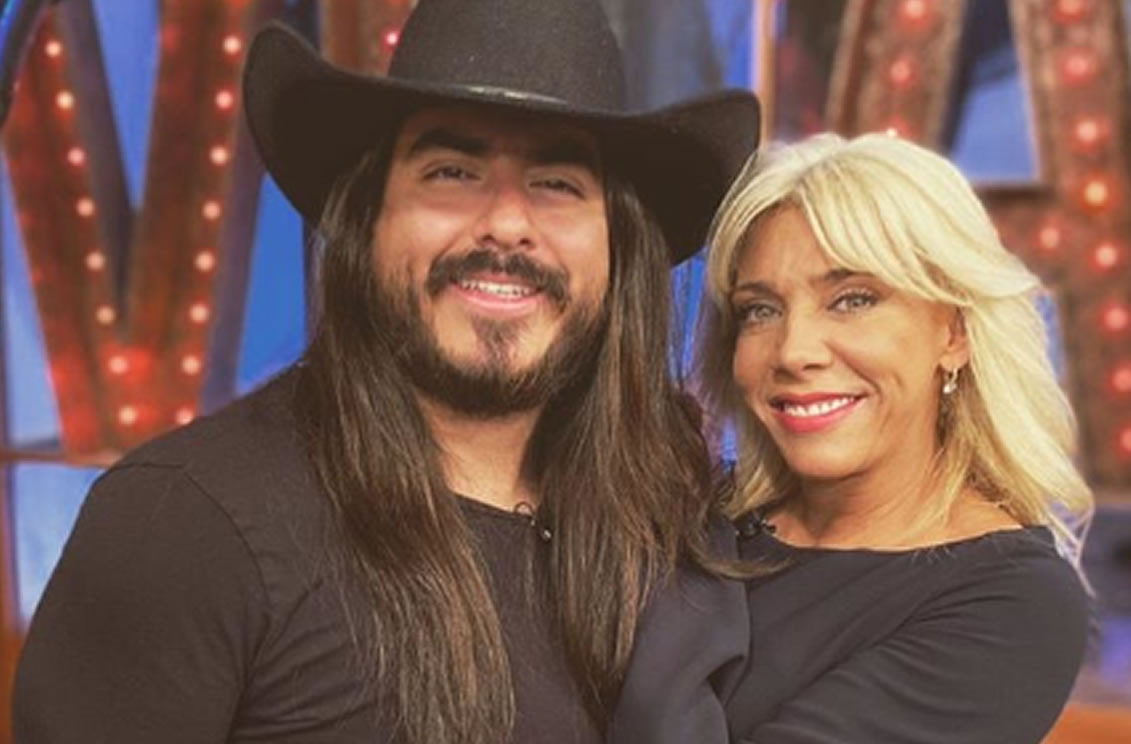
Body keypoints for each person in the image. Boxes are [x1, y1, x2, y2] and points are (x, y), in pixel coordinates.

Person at [12, 1, 760, 742]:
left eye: (557, 183)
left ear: (618, 247)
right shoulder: (184, 524)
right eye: (452, 172)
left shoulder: (674, 532)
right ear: (366, 221)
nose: (506, 223)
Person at [612, 132, 1094, 744]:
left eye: (852, 300)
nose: (794, 351)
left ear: (954, 333)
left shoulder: (1015, 604)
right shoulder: (692, 518)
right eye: (760, 310)